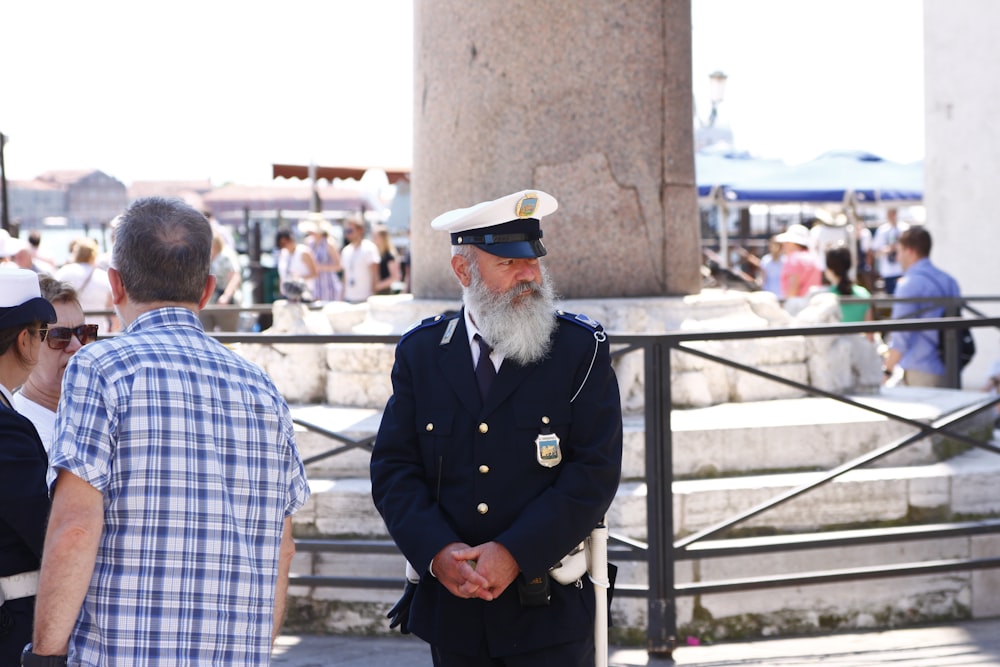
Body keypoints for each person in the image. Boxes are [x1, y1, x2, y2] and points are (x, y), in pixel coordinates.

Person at [29, 197, 310, 665]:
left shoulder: (100, 369)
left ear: (115, 284)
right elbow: (283, 549)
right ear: (207, 290)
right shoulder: (260, 387)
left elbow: (76, 528)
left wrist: (44, 655)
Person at [370, 189, 623, 666]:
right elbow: (393, 469)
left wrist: (513, 552)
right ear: (464, 271)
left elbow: (594, 471)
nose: (529, 274)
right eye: (508, 263)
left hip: (549, 610)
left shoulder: (577, 349)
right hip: (456, 611)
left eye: (533, 260)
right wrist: (438, 551)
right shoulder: (423, 353)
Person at [0, 268, 56, 666]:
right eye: (42, 333)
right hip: (13, 622)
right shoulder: (8, 427)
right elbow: (46, 531)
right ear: (25, 338)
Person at [14, 276, 96, 451]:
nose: (76, 347)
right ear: (25, 343)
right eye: (59, 336)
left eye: (83, 332)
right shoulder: (15, 431)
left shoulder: (101, 414)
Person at [881, 226, 961, 387]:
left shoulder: (909, 284)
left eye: (899, 251)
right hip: (951, 365)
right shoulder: (949, 280)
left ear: (910, 251)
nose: (897, 258)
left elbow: (900, 335)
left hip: (922, 367)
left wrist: (887, 371)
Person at [54, 237, 115, 332]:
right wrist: (113, 331)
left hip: (69, 331)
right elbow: (112, 309)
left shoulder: (64, 272)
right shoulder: (103, 276)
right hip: (98, 331)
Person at [825, 245, 874, 340]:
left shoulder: (825, 297)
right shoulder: (863, 293)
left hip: (834, 351)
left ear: (829, 268)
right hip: (859, 350)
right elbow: (870, 335)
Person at [200, 232, 243, 331]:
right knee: (206, 332)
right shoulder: (205, 257)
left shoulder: (226, 255)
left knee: (228, 336)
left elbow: (235, 277)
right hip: (208, 302)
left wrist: (226, 296)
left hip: (225, 302)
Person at [299, 214, 343, 302]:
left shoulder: (329, 243)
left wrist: (319, 267)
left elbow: (339, 266)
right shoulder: (309, 242)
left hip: (329, 285)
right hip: (315, 286)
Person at [340, 215, 380, 303]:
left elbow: (375, 274)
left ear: (360, 230)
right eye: (346, 231)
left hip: (365, 298)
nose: (348, 234)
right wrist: (342, 296)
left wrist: (373, 296)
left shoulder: (369, 248)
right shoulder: (346, 250)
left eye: (350, 231)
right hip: (349, 297)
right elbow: (345, 276)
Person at [775, 223, 822, 298]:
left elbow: (793, 287)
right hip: (813, 302)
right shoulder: (814, 257)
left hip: (797, 306)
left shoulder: (793, 259)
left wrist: (786, 304)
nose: (784, 245)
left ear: (795, 243)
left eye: (787, 242)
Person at [871, 208, 910, 295]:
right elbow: (875, 252)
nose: (891, 216)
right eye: (889, 214)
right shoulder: (882, 230)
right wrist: (885, 250)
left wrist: (896, 247)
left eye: (893, 213)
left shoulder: (904, 228)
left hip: (902, 270)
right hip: (888, 272)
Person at [275, 228, 318, 301]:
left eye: (286, 242)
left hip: (303, 295)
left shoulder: (304, 252)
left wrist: (299, 277)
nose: (285, 245)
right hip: (286, 295)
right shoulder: (283, 254)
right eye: (282, 244)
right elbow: (282, 276)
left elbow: (314, 273)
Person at [372, 223, 402, 295]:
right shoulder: (377, 253)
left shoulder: (389, 255)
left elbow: (396, 276)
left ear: (383, 238)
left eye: (376, 237)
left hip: (385, 292)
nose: (373, 239)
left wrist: (379, 285)